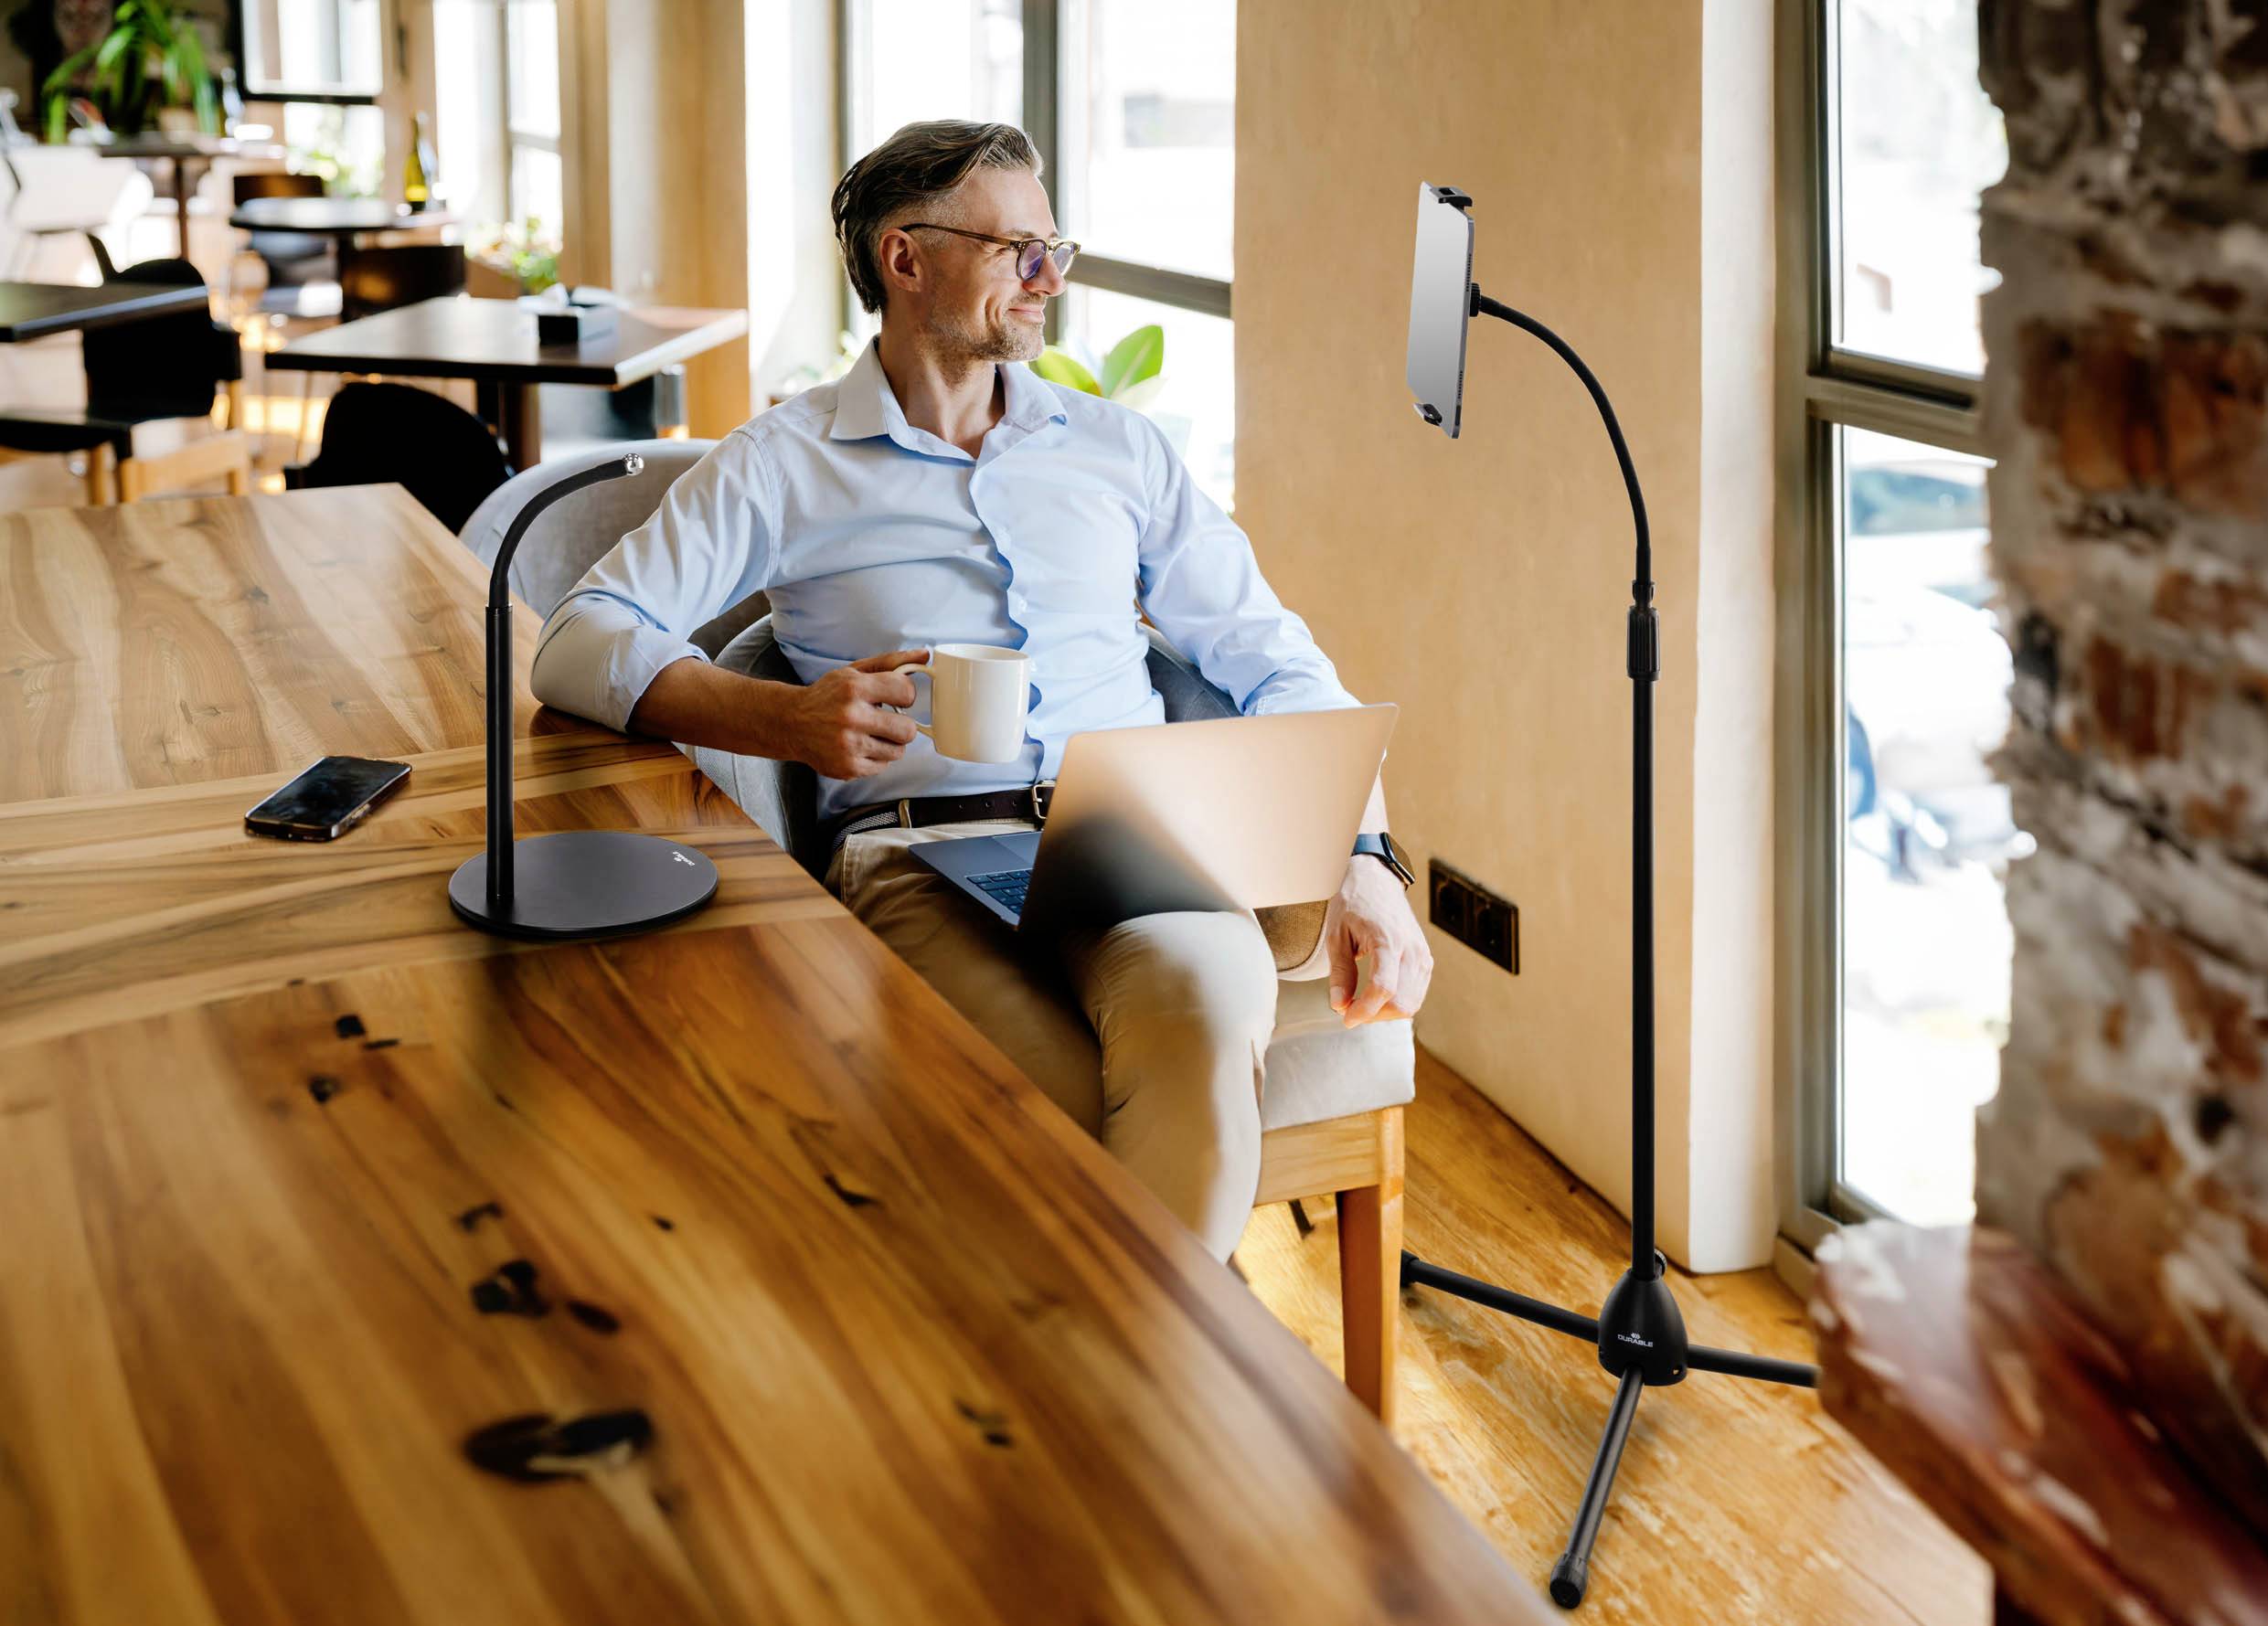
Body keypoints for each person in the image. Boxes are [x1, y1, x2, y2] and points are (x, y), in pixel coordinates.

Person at [531, 120, 1432, 1262]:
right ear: (906, 260)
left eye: (1055, 248)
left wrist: (1366, 856)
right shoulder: (782, 461)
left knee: (1200, 1020)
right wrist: (787, 721)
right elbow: (576, 637)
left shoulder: (1121, 451)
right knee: (1047, 1126)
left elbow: (1272, 652)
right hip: (918, 860)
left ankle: (1118, 1419)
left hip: (1145, 847)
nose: (1048, 279)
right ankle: (1176, 1409)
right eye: (1018, 250)